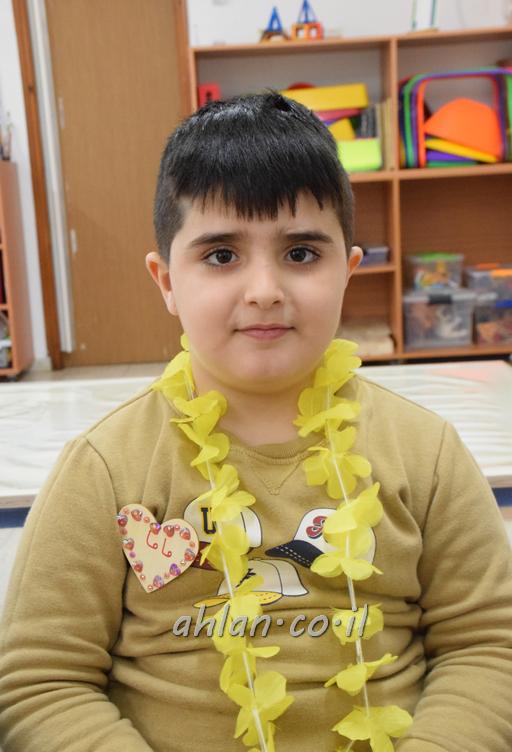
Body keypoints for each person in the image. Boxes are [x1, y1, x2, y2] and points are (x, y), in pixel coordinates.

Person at [1, 93, 511, 752]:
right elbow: (39, 682)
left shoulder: (427, 454)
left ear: (349, 271)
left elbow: (489, 647)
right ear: (166, 281)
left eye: (301, 254)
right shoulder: (104, 468)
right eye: (221, 255)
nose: (265, 289)